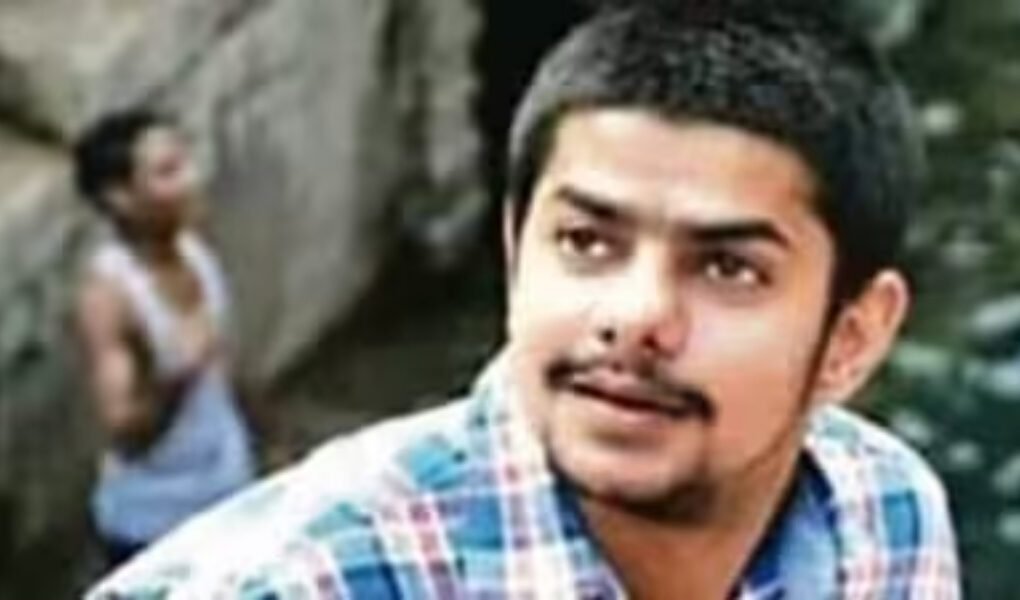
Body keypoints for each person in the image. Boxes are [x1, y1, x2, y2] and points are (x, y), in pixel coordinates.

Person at [88, 0, 961, 597]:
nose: (634, 315)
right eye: (587, 243)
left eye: (728, 268)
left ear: (854, 337)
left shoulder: (880, 513)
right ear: (517, 253)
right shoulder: (306, 580)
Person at [73, 108, 257, 569]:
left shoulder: (193, 250)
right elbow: (124, 429)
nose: (192, 180)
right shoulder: (110, 297)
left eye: (185, 163)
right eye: (167, 173)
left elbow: (221, 367)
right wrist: (180, 373)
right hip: (157, 528)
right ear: (120, 198)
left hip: (228, 495)